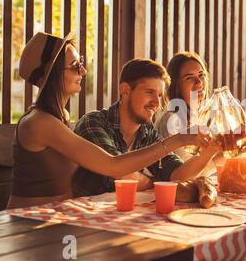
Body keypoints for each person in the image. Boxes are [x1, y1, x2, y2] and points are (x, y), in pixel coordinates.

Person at [8, 32, 212, 209]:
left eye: (81, 63)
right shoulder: (39, 123)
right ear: (52, 75)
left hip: (60, 216)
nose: (83, 71)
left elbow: (173, 172)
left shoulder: (60, 117)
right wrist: (178, 141)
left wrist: (212, 148)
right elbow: (113, 166)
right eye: (74, 66)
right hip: (28, 221)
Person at [72, 58, 222, 196]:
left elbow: (177, 175)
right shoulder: (93, 123)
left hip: (119, 217)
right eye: (149, 92)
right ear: (125, 90)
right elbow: (118, 170)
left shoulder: (146, 132)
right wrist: (178, 140)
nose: (156, 103)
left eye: (159, 95)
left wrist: (210, 151)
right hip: (78, 217)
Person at [155, 52, 222, 177]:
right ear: (176, 86)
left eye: (201, 75)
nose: (199, 82)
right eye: (189, 78)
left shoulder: (201, 115)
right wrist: (223, 155)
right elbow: (185, 172)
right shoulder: (170, 119)